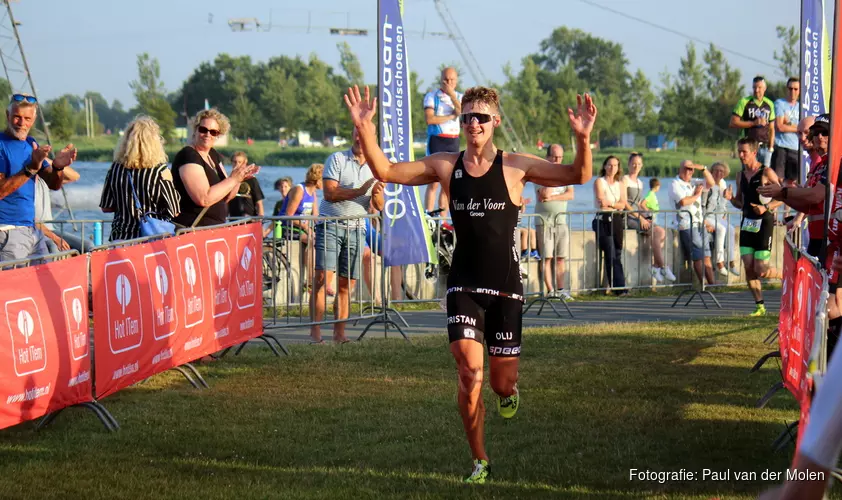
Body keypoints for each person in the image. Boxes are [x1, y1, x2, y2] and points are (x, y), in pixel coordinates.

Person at [343, 84, 596, 483]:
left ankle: (510, 393)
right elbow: (387, 171)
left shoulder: (516, 166)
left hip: (507, 287)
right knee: (468, 372)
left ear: (495, 121)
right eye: (467, 117)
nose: (473, 123)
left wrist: (582, 139)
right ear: (460, 122)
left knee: (500, 381)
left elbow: (578, 174)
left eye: (481, 117)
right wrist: (365, 130)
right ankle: (480, 459)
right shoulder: (446, 166)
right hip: (463, 284)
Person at [310, 128, 385, 344]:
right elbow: (329, 194)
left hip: (357, 228)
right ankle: (315, 332)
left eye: (365, 133)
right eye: (357, 132)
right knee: (323, 278)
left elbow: (379, 206)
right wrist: (361, 190)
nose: (360, 137)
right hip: (330, 225)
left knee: (347, 283)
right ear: (353, 135)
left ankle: (339, 334)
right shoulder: (337, 158)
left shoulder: (375, 166)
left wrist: (378, 193)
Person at [0, 93, 77, 261]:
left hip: (32, 231)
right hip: (7, 233)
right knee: (14, 286)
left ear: (33, 120)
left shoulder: (30, 144)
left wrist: (58, 167)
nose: (22, 123)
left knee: (43, 283)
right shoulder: (1, 144)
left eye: (27, 119)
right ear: (8, 115)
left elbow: (53, 184)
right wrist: (29, 169)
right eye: (17, 117)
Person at [171, 109, 259, 229]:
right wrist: (233, 179)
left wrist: (239, 178)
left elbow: (226, 196)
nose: (208, 134)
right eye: (203, 130)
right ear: (195, 130)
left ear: (218, 135)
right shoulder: (188, 155)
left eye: (213, 132)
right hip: (192, 231)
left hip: (213, 230)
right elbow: (203, 199)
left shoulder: (213, 155)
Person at [99, 116, 181, 241]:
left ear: (126, 141)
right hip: (150, 240)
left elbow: (106, 207)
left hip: (120, 238)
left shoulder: (115, 168)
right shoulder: (159, 171)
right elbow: (174, 210)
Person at [729, 137, 782, 316]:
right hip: (747, 224)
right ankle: (760, 306)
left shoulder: (766, 172)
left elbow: (783, 196)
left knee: (761, 269)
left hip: (764, 224)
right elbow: (740, 203)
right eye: (739, 151)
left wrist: (766, 207)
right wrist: (730, 199)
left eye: (744, 151)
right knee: (748, 267)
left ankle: (784, 275)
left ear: (753, 152)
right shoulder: (739, 176)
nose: (741, 155)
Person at [623, 152, 673, 283]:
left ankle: (656, 266)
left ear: (642, 166)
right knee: (655, 231)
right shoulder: (624, 180)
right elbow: (625, 203)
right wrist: (640, 218)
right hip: (627, 216)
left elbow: (638, 203)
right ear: (628, 164)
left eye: (638, 164)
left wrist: (646, 214)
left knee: (661, 232)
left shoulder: (640, 182)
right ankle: (662, 267)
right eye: (633, 163)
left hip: (637, 215)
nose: (636, 166)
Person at [423, 66, 463, 215]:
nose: (448, 82)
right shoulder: (432, 96)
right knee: (434, 181)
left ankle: (443, 220)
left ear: (456, 81)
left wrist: (452, 96)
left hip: (453, 141)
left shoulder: (459, 97)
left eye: (452, 80)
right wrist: (451, 117)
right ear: (441, 80)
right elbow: (430, 119)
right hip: (437, 140)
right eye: (446, 79)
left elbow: (462, 112)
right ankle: (428, 215)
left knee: (448, 183)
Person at [535, 144, 573, 298]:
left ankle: (561, 290)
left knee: (560, 258)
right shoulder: (541, 174)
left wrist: (553, 197)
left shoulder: (565, 174)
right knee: (547, 257)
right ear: (548, 157)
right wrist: (552, 177)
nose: (558, 160)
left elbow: (570, 194)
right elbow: (543, 195)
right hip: (544, 222)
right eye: (555, 157)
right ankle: (550, 291)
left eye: (560, 157)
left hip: (561, 221)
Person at [669, 160, 716, 286]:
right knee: (698, 256)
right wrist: (697, 195)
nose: (688, 171)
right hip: (686, 224)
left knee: (706, 255)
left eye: (691, 169)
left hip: (700, 223)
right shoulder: (675, 184)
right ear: (680, 169)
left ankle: (713, 285)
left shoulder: (694, 182)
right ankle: (703, 285)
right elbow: (683, 202)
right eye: (686, 168)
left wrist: (703, 168)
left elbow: (712, 183)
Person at [280, 163, 323, 291]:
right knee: (312, 240)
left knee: (323, 239)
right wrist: (305, 227)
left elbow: (316, 216)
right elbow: (289, 215)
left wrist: (327, 227)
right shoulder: (299, 190)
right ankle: (310, 281)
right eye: (324, 179)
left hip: (302, 227)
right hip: (289, 227)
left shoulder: (313, 193)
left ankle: (322, 278)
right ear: (317, 179)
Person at [593, 156, 627, 294]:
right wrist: (615, 204)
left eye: (615, 165)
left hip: (617, 219)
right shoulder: (599, 182)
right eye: (609, 165)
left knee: (617, 253)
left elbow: (623, 204)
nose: (612, 168)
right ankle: (619, 288)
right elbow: (602, 202)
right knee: (610, 252)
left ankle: (616, 285)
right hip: (603, 220)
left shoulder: (620, 185)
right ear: (605, 166)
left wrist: (611, 204)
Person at [34, 158, 80, 252]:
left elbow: (75, 176)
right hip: (34, 230)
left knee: (87, 246)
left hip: (51, 229)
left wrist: (53, 163)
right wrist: (55, 238)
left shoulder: (45, 179)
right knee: (53, 248)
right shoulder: (22, 182)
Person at [702, 162, 740, 277]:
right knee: (721, 229)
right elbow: (702, 205)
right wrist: (704, 221)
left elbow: (722, 206)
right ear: (711, 172)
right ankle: (720, 263)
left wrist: (728, 198)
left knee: (731, 229)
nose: (719, 173)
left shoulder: (723, 185)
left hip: (718, 216)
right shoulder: (707, 185)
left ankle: (731, 262)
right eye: (716, 170)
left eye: (721, 171)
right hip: (707, 216)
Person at [730, 76, 776, 167]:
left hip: (764, 146)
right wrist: (753, 123)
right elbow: (733, 122)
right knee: (748, 173)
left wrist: (771, 147)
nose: (756, 90)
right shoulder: (744, 102)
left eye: (759, 87)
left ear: (764, 88)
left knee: (763, 175)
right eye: (754, 87)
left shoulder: (769, 104)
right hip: (749, 145)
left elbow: (771, 128)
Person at [772, 77, 801, 186]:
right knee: (778, 181)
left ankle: (788, 204)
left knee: (792, 183)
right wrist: (797, 127)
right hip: (781, 147)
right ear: (786, 89)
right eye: (790, 88)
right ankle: (774, 203)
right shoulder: (780, 103)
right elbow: (780, 126)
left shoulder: (801, 106)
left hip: (796, 148)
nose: (792, 92)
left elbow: (805, 128)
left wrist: (788, 123)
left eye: (795, 89)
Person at [227, 151, 265, 218]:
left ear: (245, 163)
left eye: (239, 162)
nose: (236, 165)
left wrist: (260, 221)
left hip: (248, 220)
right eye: (234, 162)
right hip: (233, 220)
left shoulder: (252, 180)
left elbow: (259, 203)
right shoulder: (228, 181)